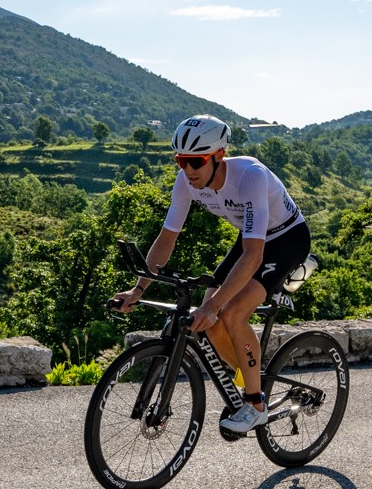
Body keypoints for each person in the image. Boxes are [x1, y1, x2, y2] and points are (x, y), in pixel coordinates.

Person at [113, 114, 311, 434]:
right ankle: (246, 382)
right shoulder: (186, 182)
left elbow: (254, 255)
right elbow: (167, 239)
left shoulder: (250, 177)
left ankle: (256, 405)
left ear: (219, 155)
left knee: (230, 312)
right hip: (250, 239)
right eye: (181, 160)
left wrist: (214, 305)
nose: (188, 170)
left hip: (286, 240)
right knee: (209, 324)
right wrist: (138, 290)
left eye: (195, 161)